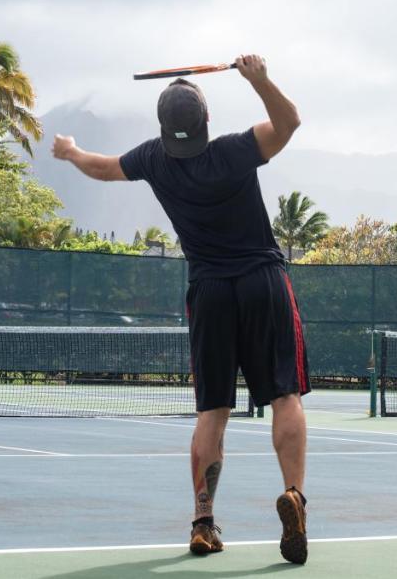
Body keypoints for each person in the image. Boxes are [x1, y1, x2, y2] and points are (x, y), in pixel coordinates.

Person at [52, 54, 310, 565]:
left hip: (210, 291)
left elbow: (102, 169)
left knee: (212, 411)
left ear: (166, 129)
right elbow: (289, 123)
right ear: (206, 121)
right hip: (263, 282)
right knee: (285, 395)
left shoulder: (152, 159)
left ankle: (203, 520)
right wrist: (260, 80)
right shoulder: (238, 151)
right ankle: (294, 496)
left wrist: (72, 150)